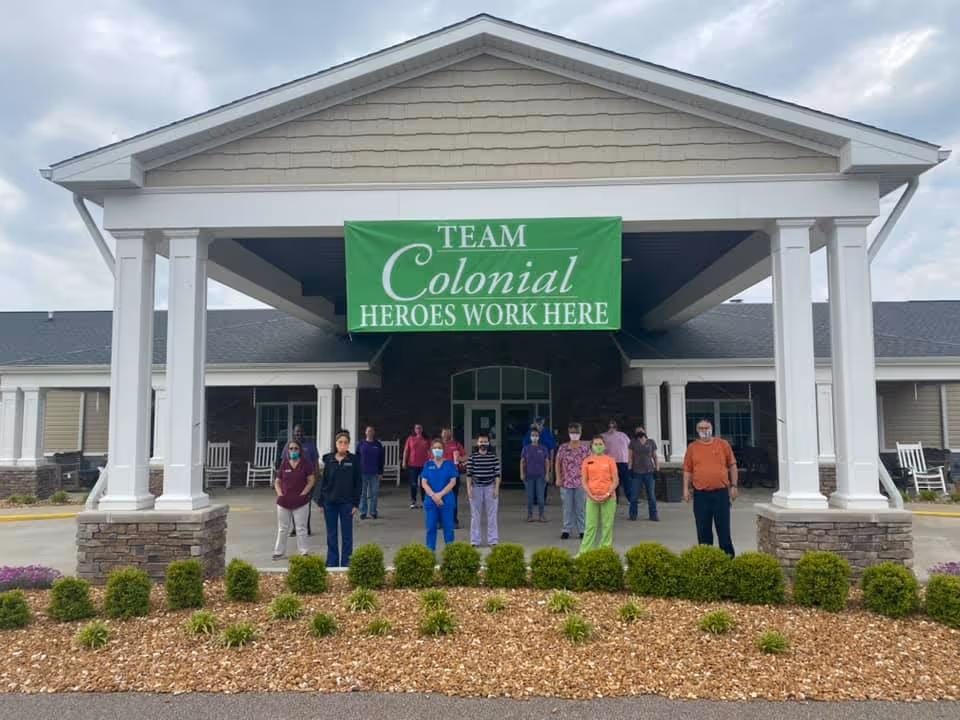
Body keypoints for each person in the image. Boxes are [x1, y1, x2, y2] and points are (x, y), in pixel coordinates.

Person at [682, 418, 738, 558]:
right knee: (703, 530)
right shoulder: (692, 448)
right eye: (701, 428)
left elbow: (732, 465)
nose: (704, 430)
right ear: (697, 430)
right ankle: (706, 559)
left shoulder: (723, 444)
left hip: (721, 493)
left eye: (706, 428)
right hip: (701, 494)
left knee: (723, 530)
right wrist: (685, 489)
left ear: (712, 428)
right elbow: (687, 470)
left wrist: (734, 485)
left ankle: (728, 560)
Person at [316, 431, 361, 567]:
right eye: (340, 442)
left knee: (347, 535)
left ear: (348, 445)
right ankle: (332, 562)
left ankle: (347, 562)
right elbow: (324, 482)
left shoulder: (354, 460)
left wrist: (356, 503)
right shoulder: (329, 460)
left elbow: (358, 483)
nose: (343, 444)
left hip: (346, 503)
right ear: (336, 444)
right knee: (331, 534)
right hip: (330, 503)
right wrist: (321, 502)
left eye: (345, 442)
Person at [272, 439, 317, 560]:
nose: (293, 451)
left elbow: (311, 480)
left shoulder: (306, 464)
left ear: (300, 450)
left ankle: (304, 552)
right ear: (288, 450)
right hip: (284, 502)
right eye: (291, 448)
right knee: (283, 528)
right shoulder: (284, 464)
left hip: (301, 501)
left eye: (296, 448)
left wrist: (304, 493)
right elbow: (277, 481)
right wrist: (280, 494)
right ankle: (279, 552)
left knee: (301, 528)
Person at [578, 435, 619, 555]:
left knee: (607, 526)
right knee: (590, 526)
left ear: (604, 446)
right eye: (595, 444)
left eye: (600, 444)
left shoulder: (610, 460)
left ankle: (605, 551)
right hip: (592, 498)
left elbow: (615, 480)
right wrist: (591, 495)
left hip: (609, 498)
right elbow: (584, 481)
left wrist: (607, 494)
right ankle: (585, 552)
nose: (598, 446)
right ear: (591, 446)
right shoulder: (586, 461)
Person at [420, 438, 459, 551]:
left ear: (444, 450)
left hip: (447, 501)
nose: (437, 450)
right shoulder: (428, 465)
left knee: (449, 529)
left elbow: (453, 482)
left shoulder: (449, 464)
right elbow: (424, 483)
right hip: (431, 501)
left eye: (440, 448)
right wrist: (434, 496)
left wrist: (440, 495)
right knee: (431, 528)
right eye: (435, 448)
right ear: (431, 450)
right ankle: (430, 552)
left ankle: (450, 553)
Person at [281, 424, 320, 536]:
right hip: (293, 481)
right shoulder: (289, 445)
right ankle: (295, 528)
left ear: (304, 433)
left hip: (308, 480)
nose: (298, 434)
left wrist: (316, 476)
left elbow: (316, 462)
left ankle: (306, 528)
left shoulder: (310, 445)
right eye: (296, 432)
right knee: (294, 504)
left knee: (306, 505)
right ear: (294, 433)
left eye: (300, 432)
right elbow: (284, 462)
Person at [555, 422, 590, 540]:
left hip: (581, 482)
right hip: (566, 482)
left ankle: (582, 530)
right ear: (568, 433)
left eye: (576, 432)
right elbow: (558, 463)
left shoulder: (585, 449)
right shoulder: (563, 448)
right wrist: (558, 477)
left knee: (581, 508)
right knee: (567, 508)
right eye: (572, 432)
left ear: (580, 433)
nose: (574, 435)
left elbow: (589, 465)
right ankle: (566, 530)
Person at [466, 432, 501, 547]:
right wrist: (469, 489)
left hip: (490, 488)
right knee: (475, 515)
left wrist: (496, 489)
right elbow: (469, 475)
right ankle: (475, 541)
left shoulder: (494, 458)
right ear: (477, 443)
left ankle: (493, 540)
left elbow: (497, 475)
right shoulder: (472, 458)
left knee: (492, 515)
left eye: (485, 442)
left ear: (489, 443)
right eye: (481, 441)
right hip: (476, 488)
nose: (483, 444)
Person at [628, 425, 660, 521]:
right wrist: (629, 469)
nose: (639, 432)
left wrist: (657, 468)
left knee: (651, 496)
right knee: (634, 496)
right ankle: (633, 515)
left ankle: (653, 515)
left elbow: (655, 456)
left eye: (641, 430)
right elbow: (630, 457)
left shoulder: (651, 442)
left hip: (649, 472)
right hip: (636, 472)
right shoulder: (633, 442)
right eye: (637, 431)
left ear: (644, 431)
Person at [523, 416, 557, 503]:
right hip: (531, 461)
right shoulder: (530, 433)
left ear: (543, 423)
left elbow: (552, 448)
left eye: (540, 423)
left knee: (544, 480)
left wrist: (551, 462)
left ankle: (542, 498)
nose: (539, 425)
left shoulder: (546, 433)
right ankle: (534, 499)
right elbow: (525, 447)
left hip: (544, 460)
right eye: (537, 423)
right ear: (534, 423)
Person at [520, 426, 551, 522]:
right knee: (530, 498)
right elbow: (522, 462)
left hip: (541, 476)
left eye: (536, 435)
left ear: (539, 437)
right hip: (529, 476)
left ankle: (541, 516)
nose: (534, 437)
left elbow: (547, 462)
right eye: (533, 435)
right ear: (530, 437)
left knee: (541, 498)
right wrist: (522, 473)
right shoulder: (526, 448)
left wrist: (547, 474)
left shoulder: (543, 448)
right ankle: (529, 516)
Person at [356, 425, 385, 520]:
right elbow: (357, 458)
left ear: (374, 432)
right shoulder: (361, 444)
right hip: (362, 472)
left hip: (375, 473)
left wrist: (381, 472)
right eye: (368, 431)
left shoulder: (378, 444)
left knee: (374, 493)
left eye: (372, 431)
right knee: (362, 493)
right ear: (365, 432)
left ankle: (373, 512)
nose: (370, 432)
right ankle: (363, 512)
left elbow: (381, 459)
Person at [441, 427, 466, 528]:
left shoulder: (456, 445)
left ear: (451, 435)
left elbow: (465, 457)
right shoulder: (438, 445)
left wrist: (459, 458)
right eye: (444, 433)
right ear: (441, 434)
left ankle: (454, 521)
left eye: (448, 433)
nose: (446, 435)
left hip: (453, 475)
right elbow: (430, 459)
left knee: (453, 498)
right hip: (440, 475)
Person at [601, 419, 631, 504]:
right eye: (610, 426)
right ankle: (614, 499)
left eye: (613, 426)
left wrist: (630, 460)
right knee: (613, 482)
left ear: (616, 427)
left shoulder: (623, 435)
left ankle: (630, 499)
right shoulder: (603, 436)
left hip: (623, 461)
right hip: (610, 462)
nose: (612, 428)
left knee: (626, 482)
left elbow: (630, 447)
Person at [402, 423, 430, 509]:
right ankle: (413, 501)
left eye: (420, 428)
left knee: (424, 484)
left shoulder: (426, 439)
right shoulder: (410, 439)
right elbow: (406, 450)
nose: (418, 429)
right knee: (413, 483)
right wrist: (404, 461)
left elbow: (431, 451)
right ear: (414, 430)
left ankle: (424, 501)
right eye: (417, 428)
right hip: (413, 464)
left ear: (422, 429)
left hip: (424, 464)